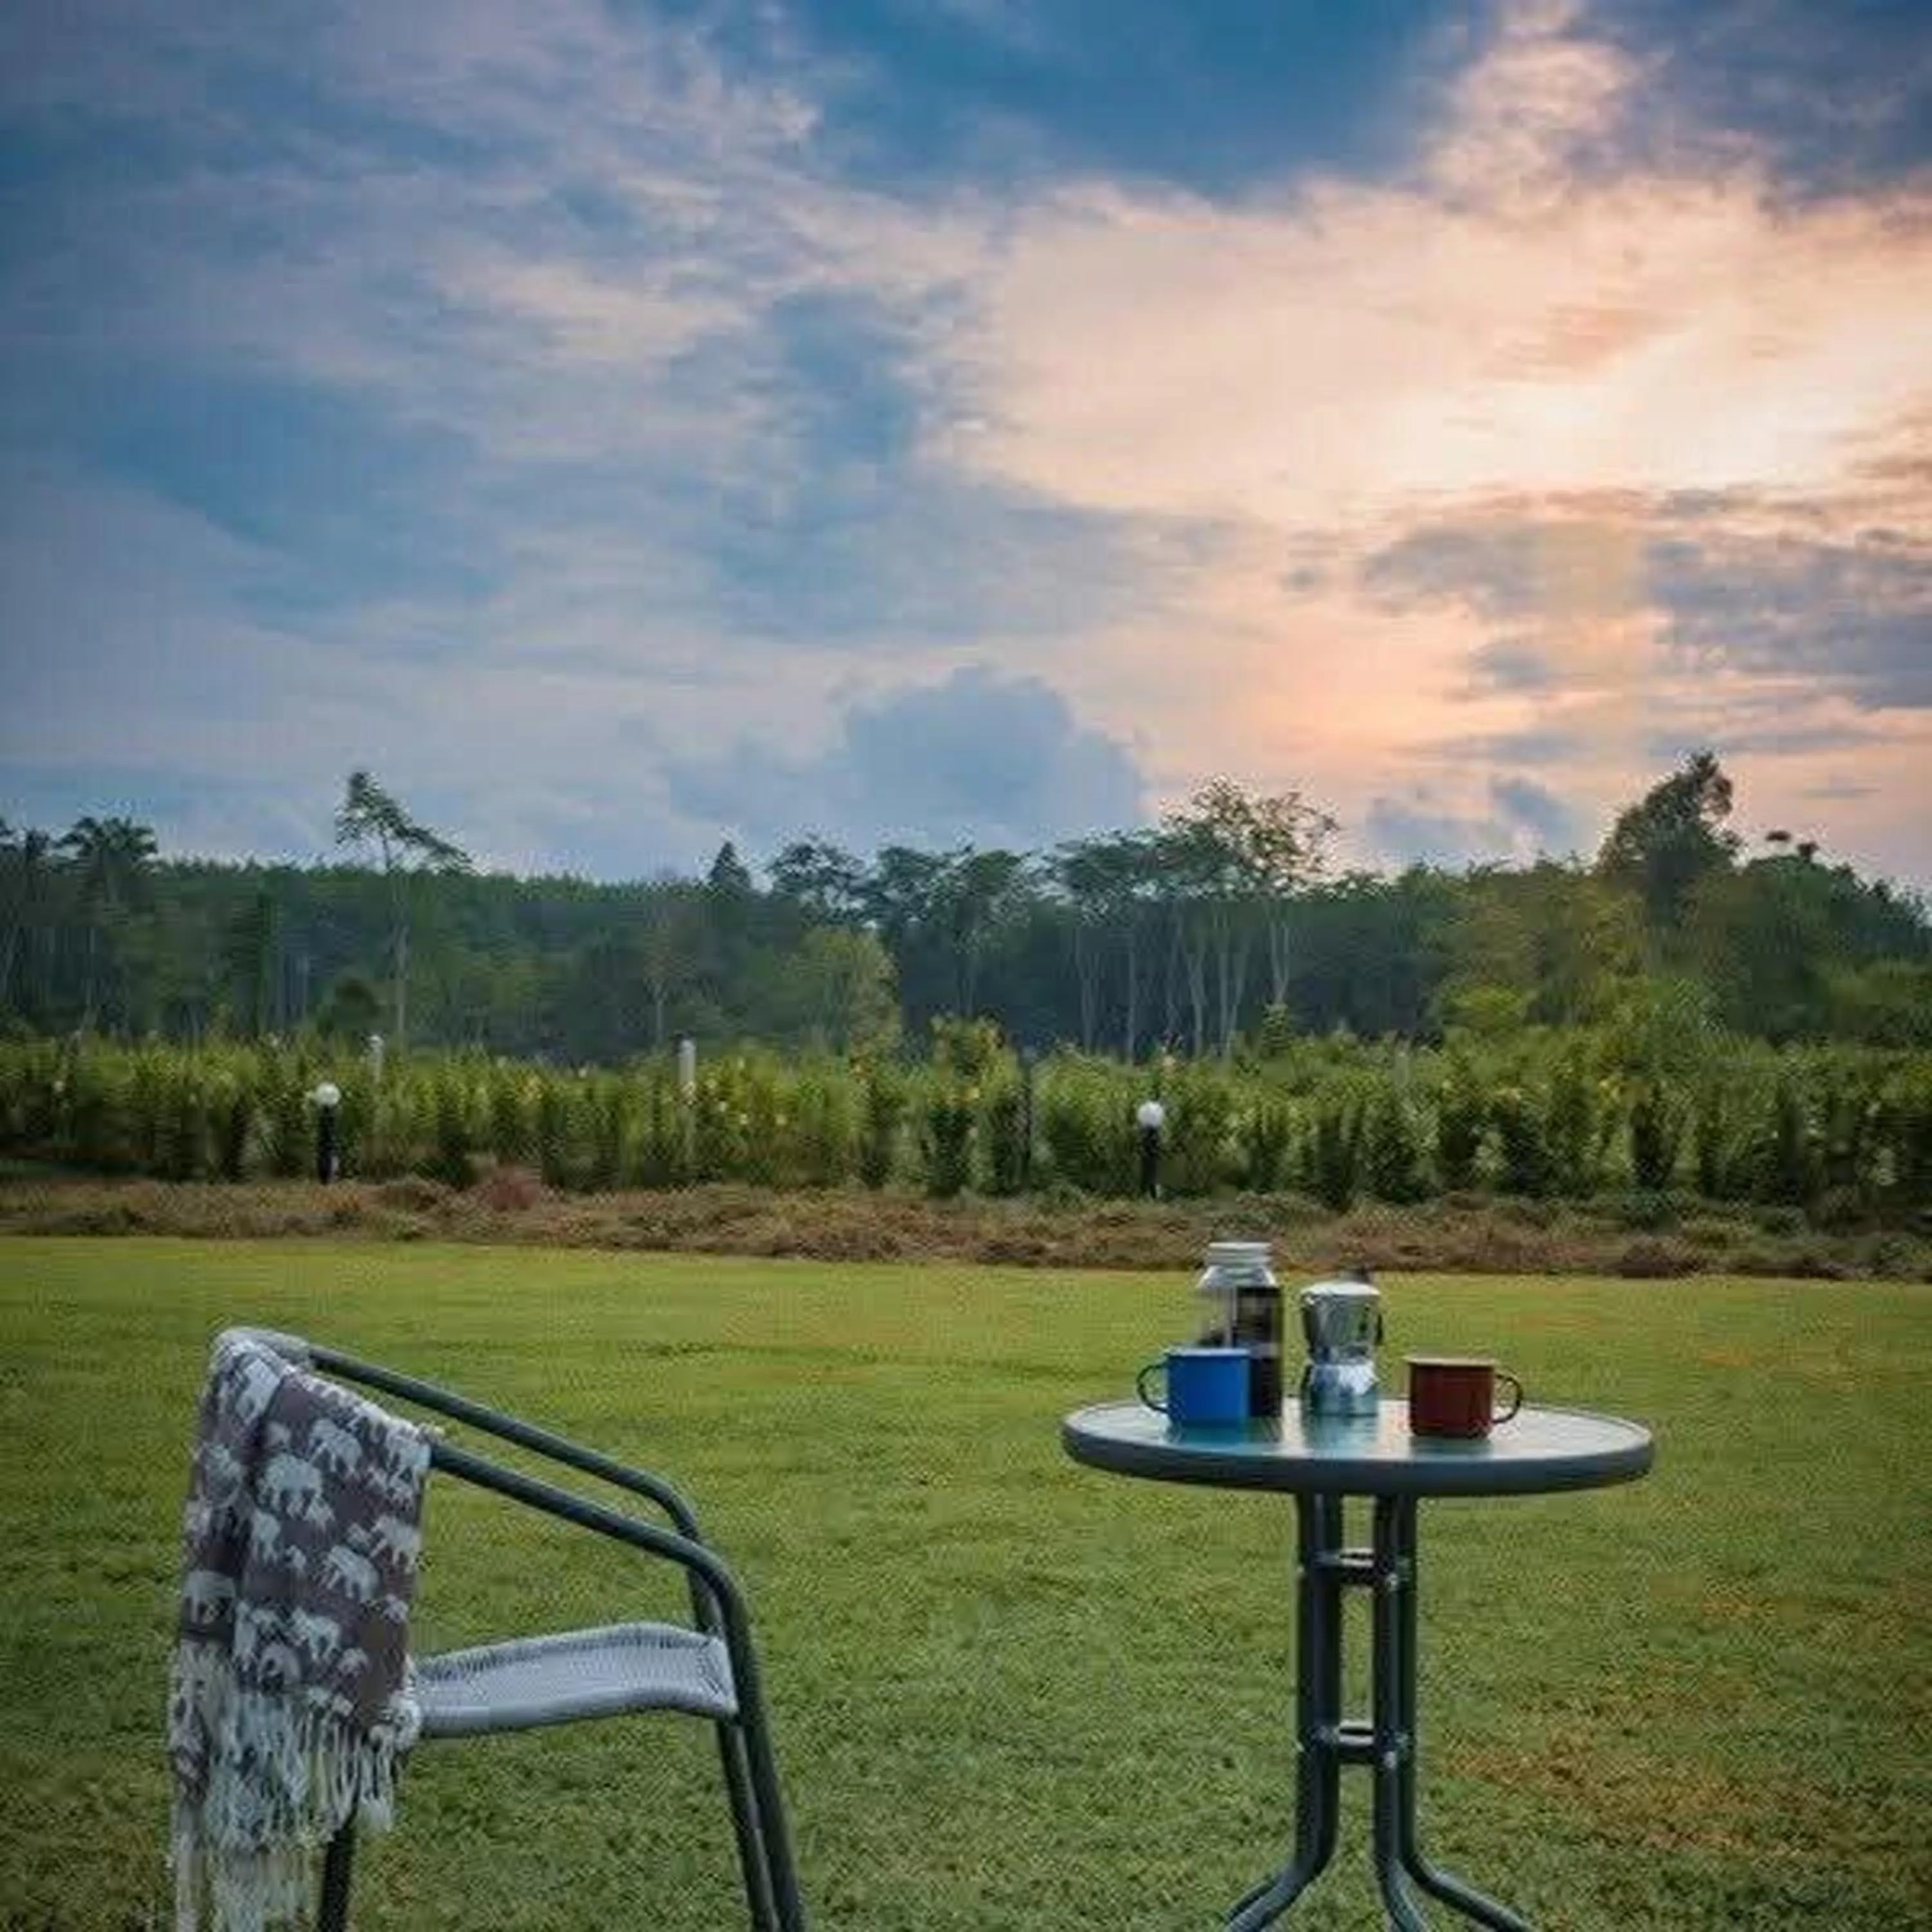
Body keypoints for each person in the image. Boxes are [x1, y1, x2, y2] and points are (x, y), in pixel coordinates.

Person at [1135, 1095, 1166, 1198]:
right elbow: (1157, 1145)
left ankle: (1145, 1194)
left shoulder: (1147, 1133)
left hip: (1148, 1155)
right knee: (1152, 1174)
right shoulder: (1154, 1133)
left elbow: (1144, 1144)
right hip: (1152, 1155)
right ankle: (1150, 1194)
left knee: (1146, 1174)